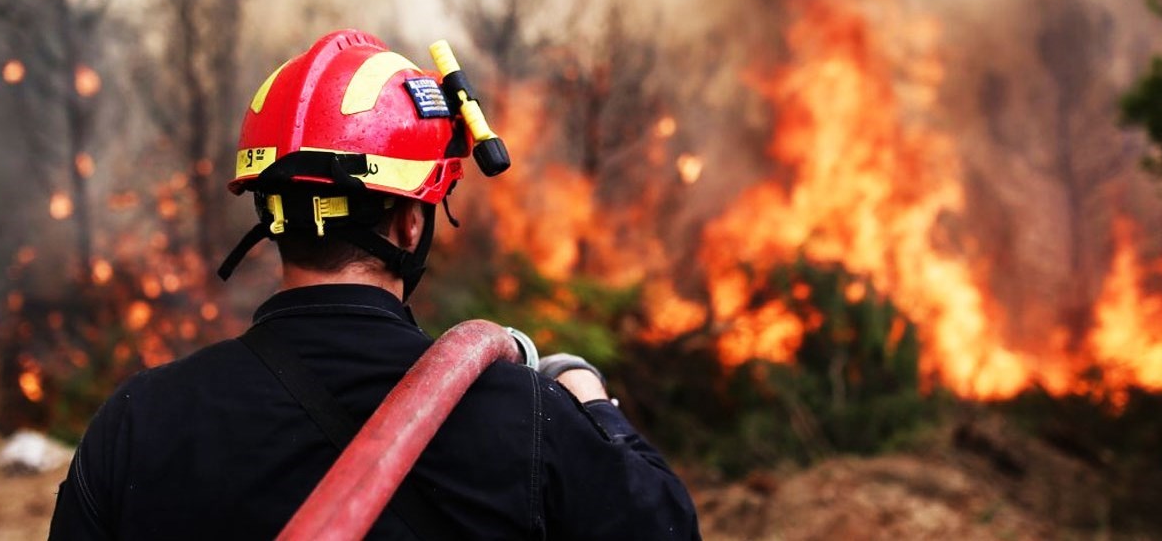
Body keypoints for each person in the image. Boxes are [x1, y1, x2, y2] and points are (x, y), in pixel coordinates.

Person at [49, 30, 701, 540]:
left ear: (268, 211)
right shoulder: (526, 418)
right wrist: (590, 400)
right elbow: (664, 527)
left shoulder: (138, 423)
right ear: (412, 222)